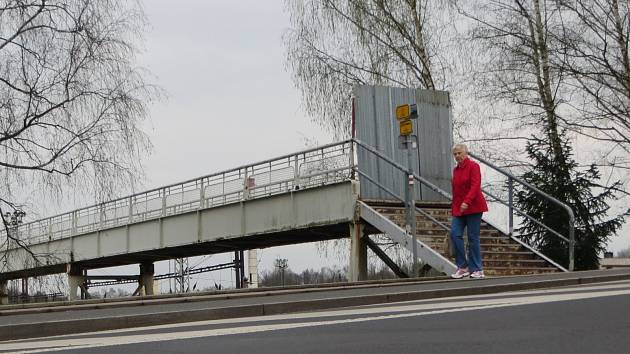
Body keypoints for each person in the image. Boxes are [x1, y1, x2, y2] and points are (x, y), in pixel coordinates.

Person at [450, 143, 488, 279]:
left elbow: (475, 186)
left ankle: (477, 269)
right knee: (454, 234)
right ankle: (463, 266)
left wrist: (467, 201)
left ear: (466, 153)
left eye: (459, 153)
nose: (457, 156)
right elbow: (455, 191)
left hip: (474, 206)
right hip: (459, 209)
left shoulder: (474, 166)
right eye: (455, 154)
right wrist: (455, 207)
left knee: (473, 238)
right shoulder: (456, 170)